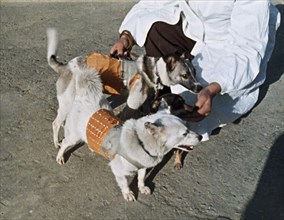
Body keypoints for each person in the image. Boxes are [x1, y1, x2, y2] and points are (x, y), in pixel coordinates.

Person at [110, 0, 280, 141]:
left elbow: (245, 51)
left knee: (193, 106)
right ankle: (158, 95)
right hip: (193, 30)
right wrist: (126, 37)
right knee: (154, 30)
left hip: (227, 49)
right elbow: (153, 3)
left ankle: (168, 115)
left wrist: (212, 89)